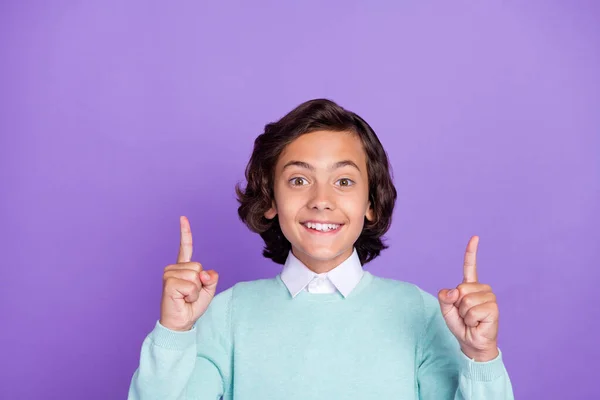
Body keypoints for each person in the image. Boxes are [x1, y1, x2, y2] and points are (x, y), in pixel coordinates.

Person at [128, 99, 514, 399]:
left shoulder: (422, 315)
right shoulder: (225, 316)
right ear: (270, 199)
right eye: (298, 180)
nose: (321, 200)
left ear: (371, 202)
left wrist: (480, 356)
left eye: (344, 182)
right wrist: (175, 332)